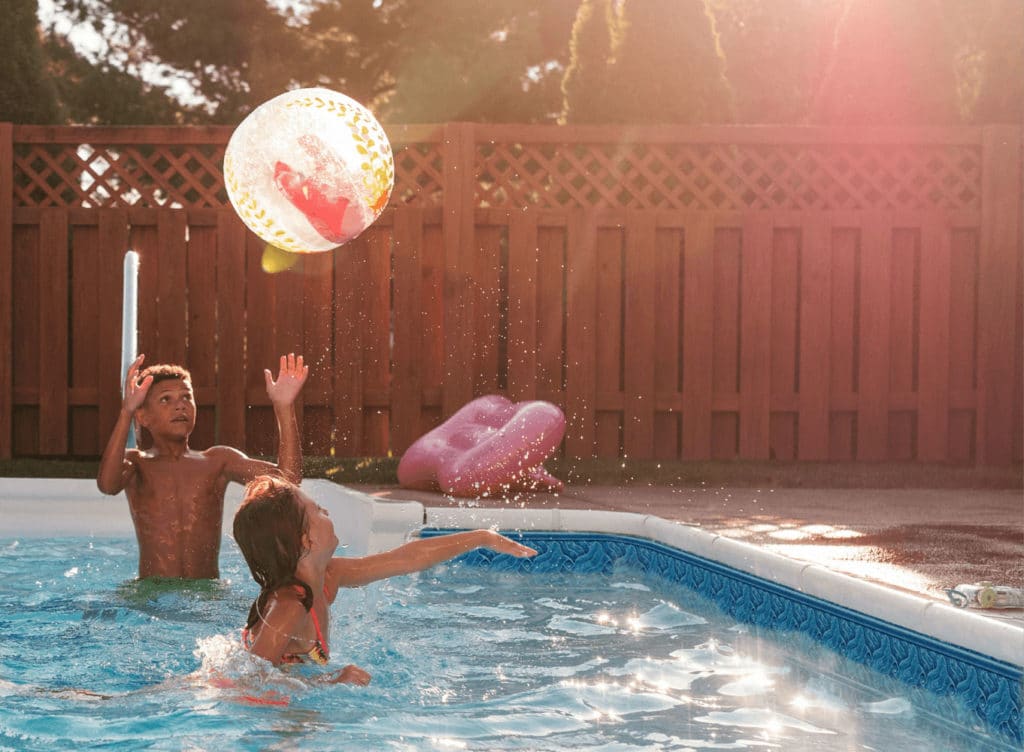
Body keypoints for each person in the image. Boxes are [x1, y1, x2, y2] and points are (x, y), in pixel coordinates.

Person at [232, 475, 537, 685]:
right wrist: (329, 681)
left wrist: (481, 537)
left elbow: (406, 558)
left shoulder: (329, 577)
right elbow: (250, 679)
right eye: (319, 511)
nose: (327, 513)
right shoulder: (290, 607)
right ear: (305, 540)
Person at [97, 353, 309, 580]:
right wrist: (126, 411)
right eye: (166, 399)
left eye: (187, 397)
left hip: (206, 593)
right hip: (151, 593)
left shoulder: (217, 461)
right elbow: (107, 485)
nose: (180, 406)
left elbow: (288, 479)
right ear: (143, 416)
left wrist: (284, 408)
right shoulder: (136, 464)